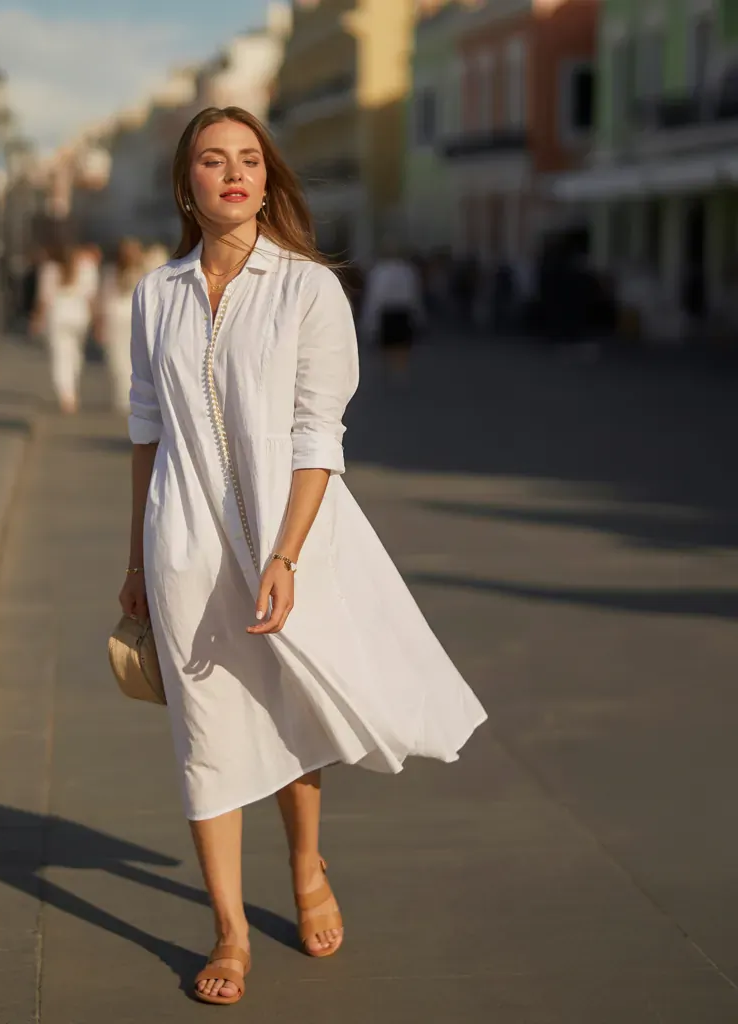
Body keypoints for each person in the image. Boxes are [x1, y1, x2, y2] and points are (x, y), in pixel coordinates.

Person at [119, 106, 487, 1006]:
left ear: (269, 178)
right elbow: (145, 428)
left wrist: (285, 554)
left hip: (288, 540)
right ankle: (229, 932)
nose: (234, 173)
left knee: (289, 705)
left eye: (249, 159)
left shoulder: (307, 289)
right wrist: (135, 555)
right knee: (204, 733)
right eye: (213, 160)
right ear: (187, 185)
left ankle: (305, 861)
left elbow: (320, 435)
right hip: (183, 545)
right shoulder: (155, 293)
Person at [35, 243, 91, 414]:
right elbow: (90, 295)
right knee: (75, 354)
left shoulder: (50, 270)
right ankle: (73, 386)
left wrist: (38, 318)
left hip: (58, 316)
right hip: (79, 315)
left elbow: (44, 298)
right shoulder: (85, 268)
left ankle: (67, 394)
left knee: (60, 356)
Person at [96, 237, 146, 415]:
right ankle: (127, 396)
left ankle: (125, 396)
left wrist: (99, 323)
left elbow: (103, 299)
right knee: (128, 359)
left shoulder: (115, 273)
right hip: (130, 318)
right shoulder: (141, 272)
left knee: (120, 358)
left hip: (120, 318)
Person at [360, 244, 424, 378]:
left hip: (391, 310)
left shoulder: (379, 271)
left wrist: (369, 320)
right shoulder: (407, 270)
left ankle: (392, 370)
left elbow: (373, 297)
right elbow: (414, 295)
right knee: (399, 344)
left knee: (391, 344)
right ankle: (399, 370)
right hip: (399, 310)